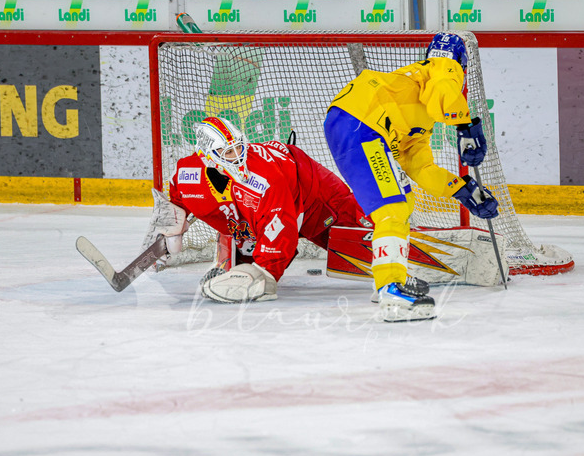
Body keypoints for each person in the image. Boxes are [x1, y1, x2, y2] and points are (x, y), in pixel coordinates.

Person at [322, 32, 498, 322]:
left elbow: (421, 167)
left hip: (354, 125)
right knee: (393, 209)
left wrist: (462, 189)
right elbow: (445, 84)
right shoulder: (441, 67)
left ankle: (389, 275)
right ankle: (391, 289)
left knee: (401, 201)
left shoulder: (415, 107)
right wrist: (466, 126)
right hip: (363, 125)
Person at [160, 116, 371, 304]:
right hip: (265, 210)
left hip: (312, 191)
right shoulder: (188, 171)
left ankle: (394, 258)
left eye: (239, 147)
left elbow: (280, 225)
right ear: (207, 156)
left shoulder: (263, 179)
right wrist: (173, 219)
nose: (237, 155)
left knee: (367, 245)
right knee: (242, 254)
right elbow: (174, 192)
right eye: (228, 152)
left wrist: (265, 273)